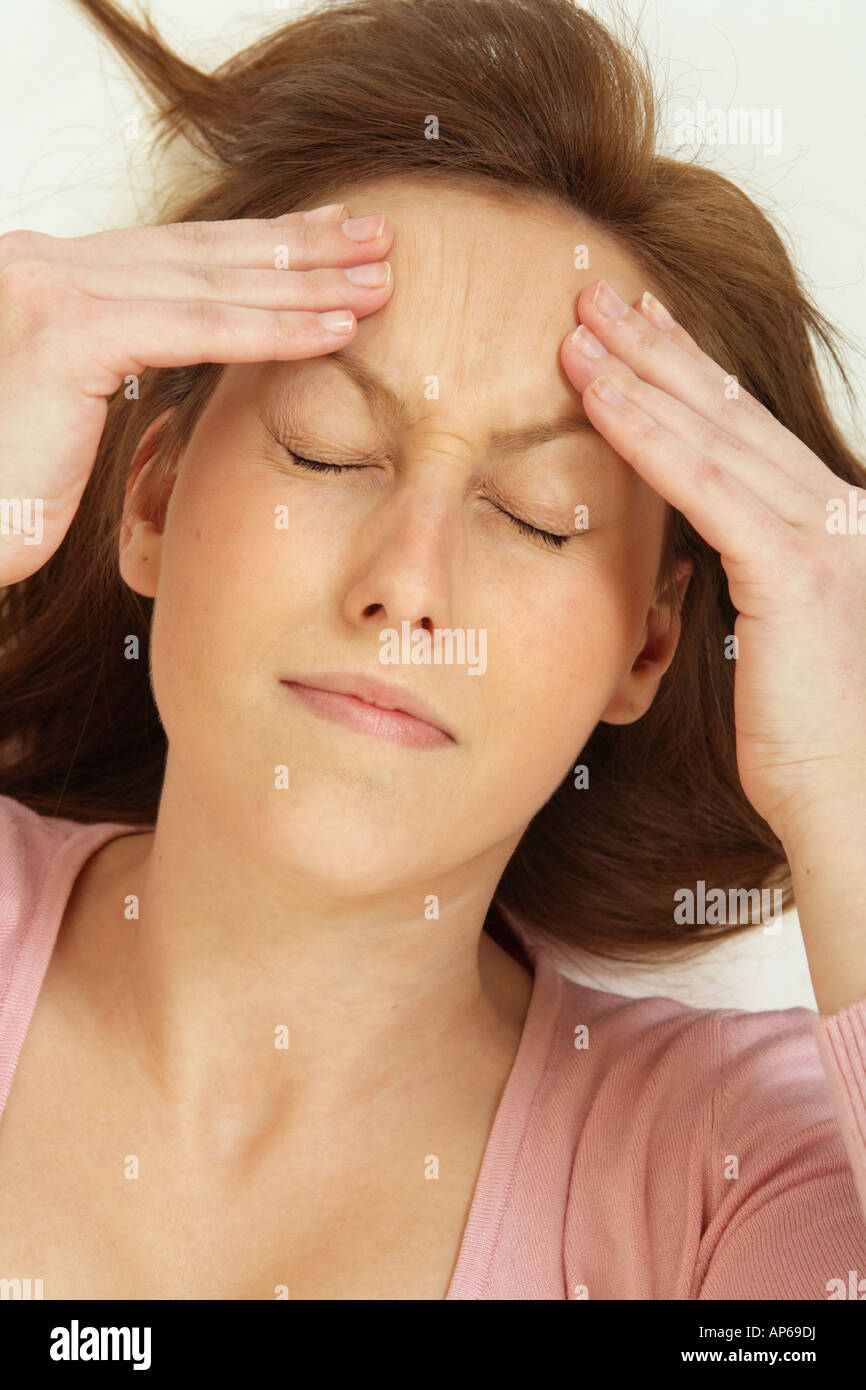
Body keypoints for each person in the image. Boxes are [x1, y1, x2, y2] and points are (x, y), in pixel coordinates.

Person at [0, 0, 864, 1300]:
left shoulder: (721, 1175)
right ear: (155, 502)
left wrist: (847, 768)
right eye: (324, 450)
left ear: (646, 646)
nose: (409, 584)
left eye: (534, 516)